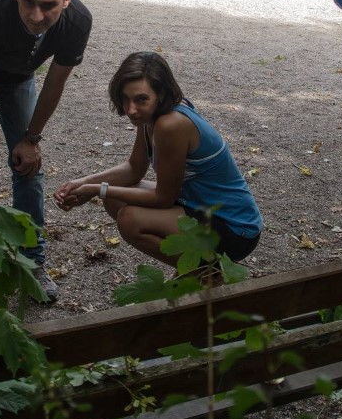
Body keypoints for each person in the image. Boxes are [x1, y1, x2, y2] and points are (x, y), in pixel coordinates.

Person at [0, 0, 92, 304]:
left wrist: (31, 138)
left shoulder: (78, 21)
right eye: (28, 2)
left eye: (48, 5)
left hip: (20, 75)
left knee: (29, 166)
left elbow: (54, 82)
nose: (36, 15)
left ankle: (32, 261)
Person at [53, 52, 262, 271]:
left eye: (140, 99)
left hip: (234, 228)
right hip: (197, 206)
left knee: (130, 220)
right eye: (125, 98)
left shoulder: (171, 124)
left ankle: (207, 273)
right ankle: (198, 264)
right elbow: (134, 169)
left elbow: (163, 198)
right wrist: (83, 183)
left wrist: (98, 189)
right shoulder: (151, 116)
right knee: (114, 198)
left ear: (161, 93)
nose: (130, 109)